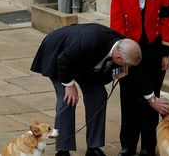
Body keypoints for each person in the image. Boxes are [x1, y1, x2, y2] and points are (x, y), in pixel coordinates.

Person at [30, 23, 142, 156]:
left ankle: (94, 147)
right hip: (58, 54)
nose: (127, 67)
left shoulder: (124, 46)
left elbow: (131, 73)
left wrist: (151, 97)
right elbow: (63, 60)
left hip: (84, 63)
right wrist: (69, 85)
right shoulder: (91, 40)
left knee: (98, 95)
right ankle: (63, 150)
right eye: (126, 64)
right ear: (118, 57)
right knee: (67, 100)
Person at [110, 0, 169, 156]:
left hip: (153, 47)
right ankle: (128, 145)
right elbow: (116, 23)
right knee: (128, 97)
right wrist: (121, 54)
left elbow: (166, 18)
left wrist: (166, 52)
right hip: (128, 47)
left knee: (151, 96)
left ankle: (148, 146)